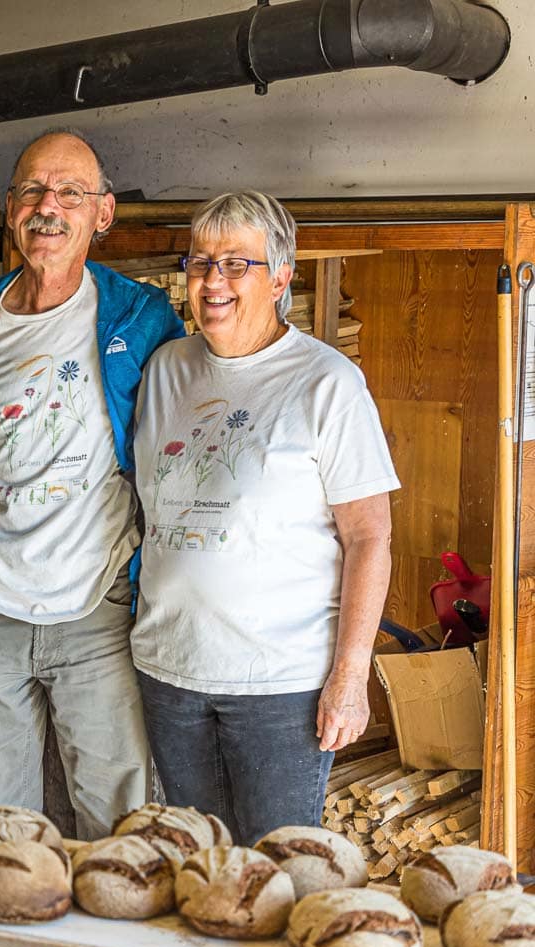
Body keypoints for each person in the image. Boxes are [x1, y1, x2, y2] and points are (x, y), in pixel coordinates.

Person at [0, 129, 184, 838]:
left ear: (101, 215)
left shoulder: (142, 316)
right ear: (9, 209)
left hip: (95, 609)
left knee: (120, 826)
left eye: (70, 192)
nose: (49, 206)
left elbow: (176, 452)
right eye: (33, 190)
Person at [131, 190, 398, 844]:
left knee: (282, 873)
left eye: (236, 264)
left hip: (280, 686)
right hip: (170, 670)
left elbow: (369, 538)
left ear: (281, 277)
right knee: (202, 867)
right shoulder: (167, 370)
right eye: (200, 263)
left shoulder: (326, 383)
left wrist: (350, 676)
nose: (212, 281)